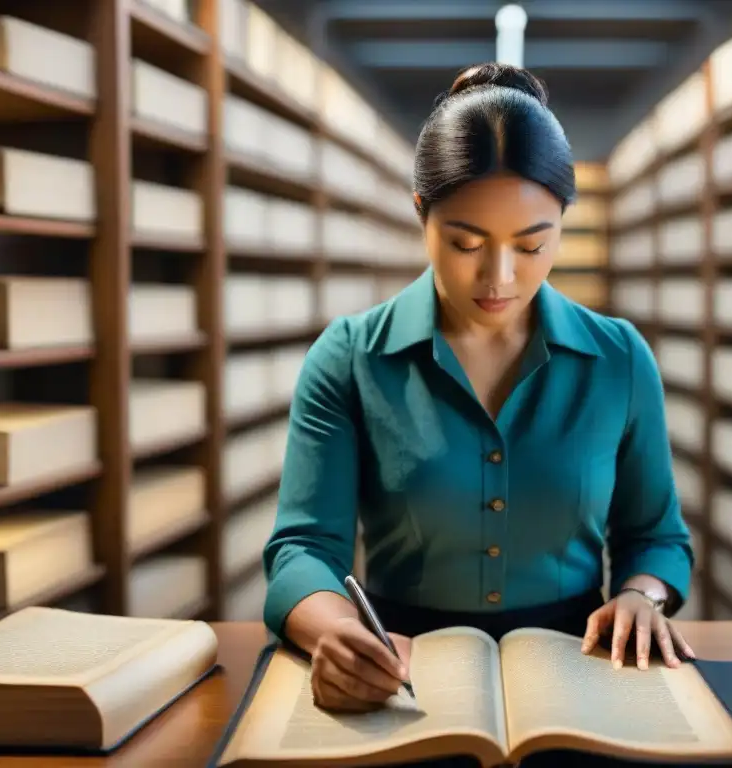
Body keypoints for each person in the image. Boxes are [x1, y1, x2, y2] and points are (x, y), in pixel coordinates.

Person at [262, 62, 696, 766]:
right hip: (400, 676)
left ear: (563, 221)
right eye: (465, 243)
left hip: (582, 678)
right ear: (419, 213)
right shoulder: (348, 358)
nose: (499, 278)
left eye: (532, 245)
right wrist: (334, 630)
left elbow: (657, 537)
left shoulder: (620, 358)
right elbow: (302, 549)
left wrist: (644, 597)